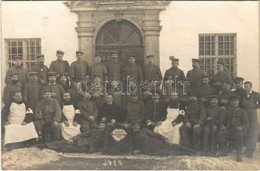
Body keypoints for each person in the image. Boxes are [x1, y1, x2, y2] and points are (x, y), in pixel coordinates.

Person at [217, 94, 248, 162]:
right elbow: (221, 121)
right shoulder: (226, 111)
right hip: (228, 129)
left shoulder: (242, 111)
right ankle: (223, 151)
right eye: (232, 101)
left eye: (235, 101)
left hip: (237, 130)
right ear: (230, 102)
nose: (233, 102)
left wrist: (242, 127)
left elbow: (246, 123)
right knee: (220, 134)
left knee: (240, 135)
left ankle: (238, 155)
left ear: (238, 102)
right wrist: (222, 126)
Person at [42, 122, 107, 153]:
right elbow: (82, 135)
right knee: (65, 142)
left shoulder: (106, 134)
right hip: (82, 141)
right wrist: (73, 139)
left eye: (102, 125)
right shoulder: (94, 130)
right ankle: (46, 145)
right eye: (100, 125)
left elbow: (104, 145)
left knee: (66, 148)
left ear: (105, 126)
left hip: (88, 147)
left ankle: (50, 150)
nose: (101, 126)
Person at [241, 81, 260, 158]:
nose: (245, 88)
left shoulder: (256, 94)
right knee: (246, 132)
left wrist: (254, 107)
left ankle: (250, 151)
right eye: (245, 87)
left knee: (252, 133)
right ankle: (247, 149)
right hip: (244, 115)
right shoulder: (242, 95)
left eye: (247, 86)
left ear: (251, 86)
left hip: (252, 115)